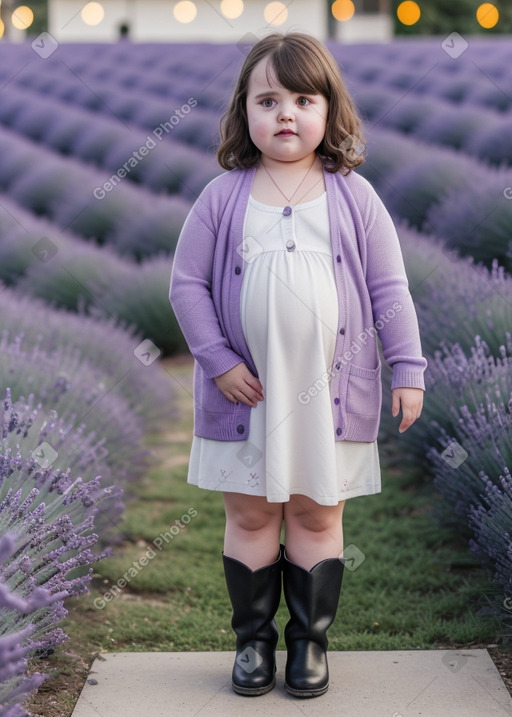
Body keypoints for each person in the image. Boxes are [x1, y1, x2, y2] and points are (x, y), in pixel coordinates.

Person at [169, 31, 427, 699]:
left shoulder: (354, 197)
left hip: (329, 395)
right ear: (243, 113)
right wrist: (219, 360)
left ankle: (310, 643)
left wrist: (408, 367)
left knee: (317, 513)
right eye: (267, 99)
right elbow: (186, 285)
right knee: (252, 513)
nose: (285, 113)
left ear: (329, 112)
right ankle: (253, 642)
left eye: (302, 99)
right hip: (245, 395)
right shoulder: (224, 196)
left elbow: (389, 290)